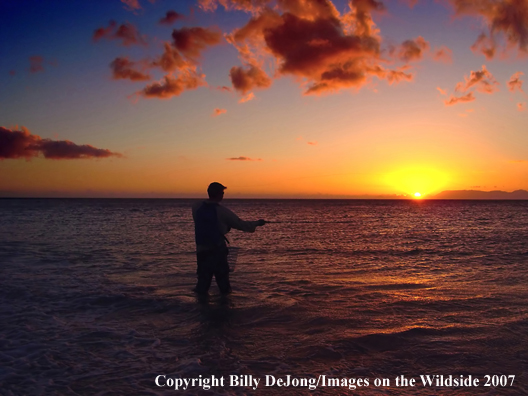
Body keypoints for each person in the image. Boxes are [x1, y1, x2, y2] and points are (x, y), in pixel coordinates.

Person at [192, 182, 266, 295]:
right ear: (219, 194)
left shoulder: (196, 207)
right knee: (224, 286)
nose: (223, 195)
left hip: (201, 251)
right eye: (222, 193)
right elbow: (240, 224)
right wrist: (257, 223)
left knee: (202, 285)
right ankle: (225, 309)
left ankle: (199, 310)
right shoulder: (222, 211)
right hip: (217, 252)